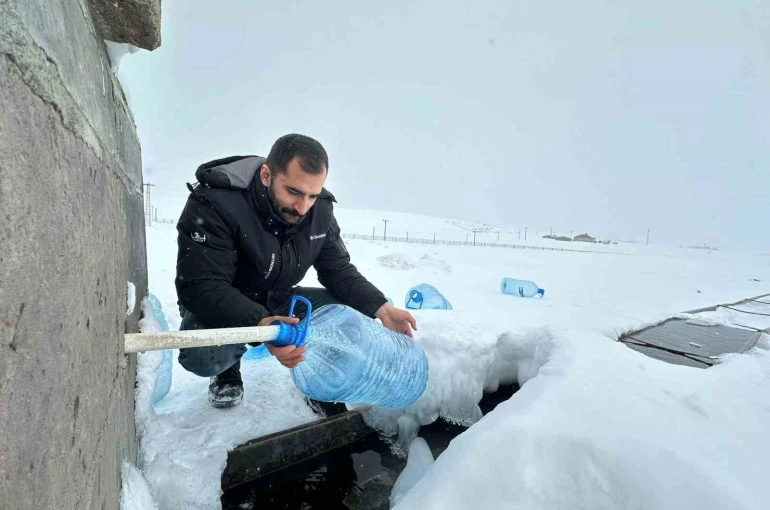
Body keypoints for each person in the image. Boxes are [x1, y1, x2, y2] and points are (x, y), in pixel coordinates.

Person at [175, 133, 417, 410]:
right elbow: (202, 285)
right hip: (225, 303)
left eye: (313, 195)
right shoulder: (215, 202)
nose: (303, 208)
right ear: (266, 175)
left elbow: (336, 269)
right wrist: (263, 326)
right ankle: (227, 369)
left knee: (352, 315)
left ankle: (321, 382)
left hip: (279, 297)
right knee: (202, 354)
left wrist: (382, 308)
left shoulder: (319, 210)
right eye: (294, 192)